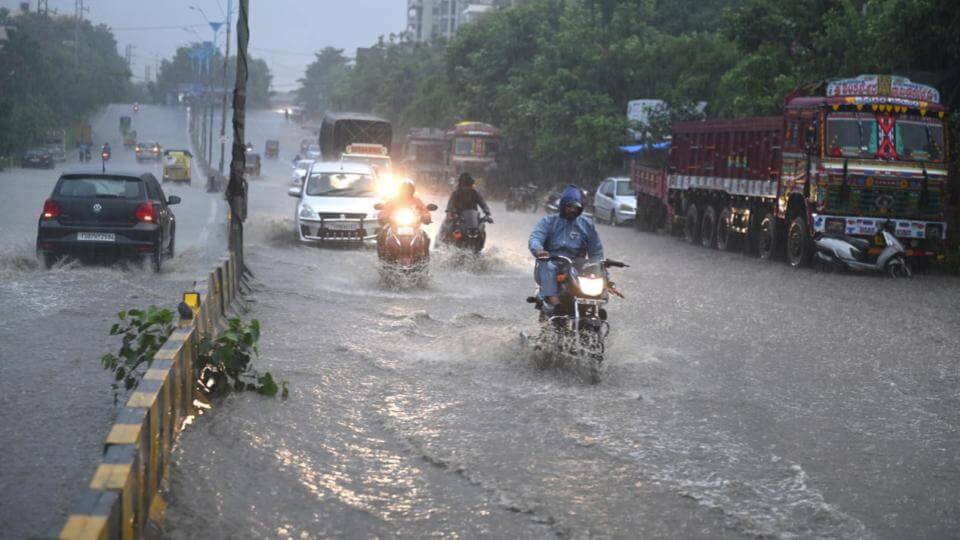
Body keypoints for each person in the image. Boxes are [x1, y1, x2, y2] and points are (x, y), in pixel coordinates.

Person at [528, 185, 604, 314]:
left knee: (599, 275)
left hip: (577, 267)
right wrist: (539, 250)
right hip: (551, 262)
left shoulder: (587, 225)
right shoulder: (549, 221)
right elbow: (536, 237)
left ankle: (596, 309)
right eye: (569, 206)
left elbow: (596, 250)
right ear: (562, 206)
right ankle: (556, 304)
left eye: (576, 207)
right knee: (547, 267)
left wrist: (601, 266)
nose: (572, 210)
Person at [440, 172, 491, 241]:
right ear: (461, 184)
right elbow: (450, 206)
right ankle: (446, 242)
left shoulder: (475, 193)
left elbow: (483, 203)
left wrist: (487, 212)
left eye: (469, 184)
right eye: (465, 184)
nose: (467, 187)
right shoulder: (456, 193)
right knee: (448, 227)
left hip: (473, 221)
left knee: (482, 229)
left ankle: (479, 243)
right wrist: (451, 212)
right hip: (458, 219)